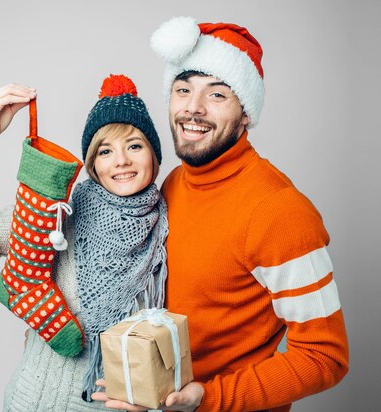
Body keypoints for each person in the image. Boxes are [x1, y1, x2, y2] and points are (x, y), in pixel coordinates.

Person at [92, 16, 349, 412]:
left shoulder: (277, 210)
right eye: (182, 90)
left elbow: (325, 357)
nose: (192, 109)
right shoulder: (173, 184)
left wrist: (209, 398)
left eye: (217, 95)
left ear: (245, 112)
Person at [0, 74, 169, 411]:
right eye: (105, 150)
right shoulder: (57, 218)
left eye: (134, 145)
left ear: (154, 154)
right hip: (34, 403)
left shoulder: (168, 227)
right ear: (93, 164)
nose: (121, 160)